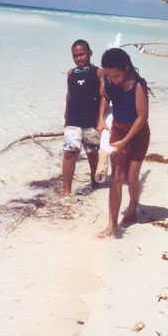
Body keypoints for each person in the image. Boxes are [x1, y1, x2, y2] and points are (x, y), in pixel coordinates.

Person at [97, 48, 150, 237]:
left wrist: (126, 141)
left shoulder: (137, 86)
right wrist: (101, 119)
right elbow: (105, 96)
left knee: (131, 178)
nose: (113, 79)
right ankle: (112, 225)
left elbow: (142, 117)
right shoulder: (107, 80)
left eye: (117, 75)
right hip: (118, 130)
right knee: (116, 178)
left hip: (138, 135)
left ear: (126, 69)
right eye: (109, 75)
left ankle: (133, 206)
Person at [62, 39, 104, 196]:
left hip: (92, 121)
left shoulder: (98, 72)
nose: (78, 58)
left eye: (81, 54)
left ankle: (95, 183)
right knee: (69, 153)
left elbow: (104, 98)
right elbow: (69, 94)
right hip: (73, 120)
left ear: (89, 53)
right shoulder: (70, 73)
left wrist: (102, 119)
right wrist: (66, 113)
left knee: (92, 154)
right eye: (75, 56)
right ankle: (66, 191)